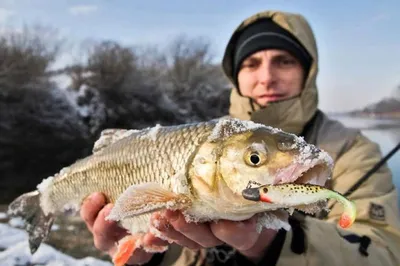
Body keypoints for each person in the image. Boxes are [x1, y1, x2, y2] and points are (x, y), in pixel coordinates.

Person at [79, 10, 400, 265]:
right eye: (251, 63)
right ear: (236, 76)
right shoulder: (199, 141)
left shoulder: (352, 150)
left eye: (284, 61)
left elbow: (385, 255)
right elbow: (180, 247)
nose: (267, 77)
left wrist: (270, 242)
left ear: (308, 71)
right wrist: (147, 259)